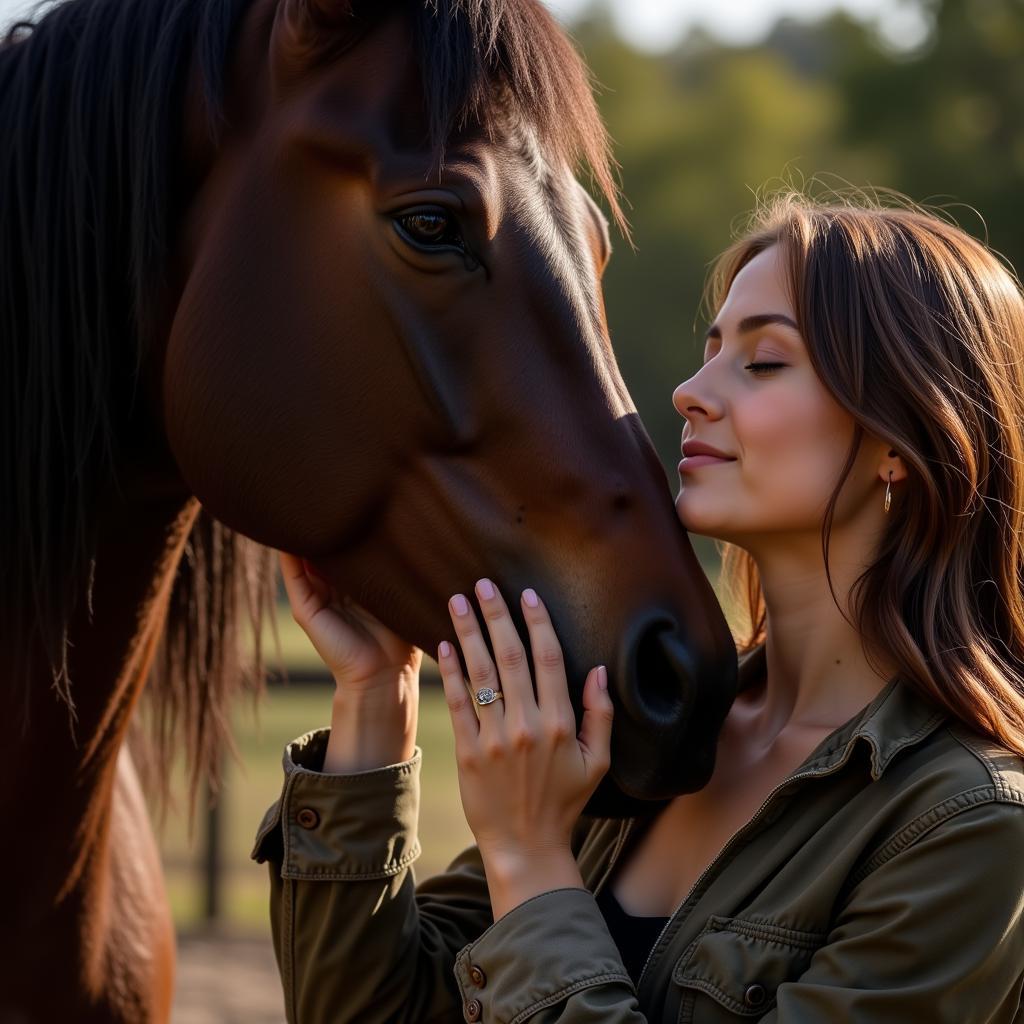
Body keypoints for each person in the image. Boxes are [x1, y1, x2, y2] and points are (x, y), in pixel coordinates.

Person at [252, 191, 1024, 1023]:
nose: (691, 391)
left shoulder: (972, 826)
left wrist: (530, 857)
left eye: (763, 362)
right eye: (710, 349)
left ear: (901, 444)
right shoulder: (644, 724)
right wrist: (375, 699)